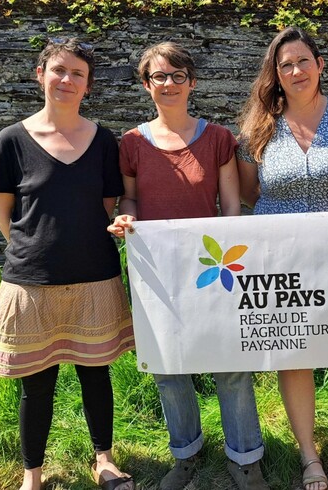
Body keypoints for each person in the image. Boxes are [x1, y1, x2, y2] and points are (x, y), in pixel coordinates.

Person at [107, 42, 269, 490]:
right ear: (146, 85)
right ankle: (186, 455)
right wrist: (126, 218)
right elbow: (130, 199)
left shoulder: (217, 138)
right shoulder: (132, 143)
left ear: (192, 82)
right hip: (156, 270)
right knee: (168, 366)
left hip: (213, 266)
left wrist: (234, 258)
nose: (169, 84)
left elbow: (231, 206)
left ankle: (245, 458)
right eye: (159, 76)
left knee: (230, 363)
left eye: (178, 76)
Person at [0, 37, 135, 490]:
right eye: (59, 70)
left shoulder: (103, 140)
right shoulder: (11, 140)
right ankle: (32, 474)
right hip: (32, 282)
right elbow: (2, 210)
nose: (67, 80)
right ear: (41, 75)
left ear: (88, 85)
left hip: (95, 276)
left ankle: (104, 460)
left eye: (78, 74)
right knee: (36, 384)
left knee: (96, 374)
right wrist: (36, 249)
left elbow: (106, 205)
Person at [236, 27, 328, 490]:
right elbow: (250, 193)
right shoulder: (258, 127)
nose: (296, 71)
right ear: (275, 74)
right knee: (294, 357)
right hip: (281, 260)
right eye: (285, 65)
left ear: (320, 65)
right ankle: (309, 456)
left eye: (303, 61)